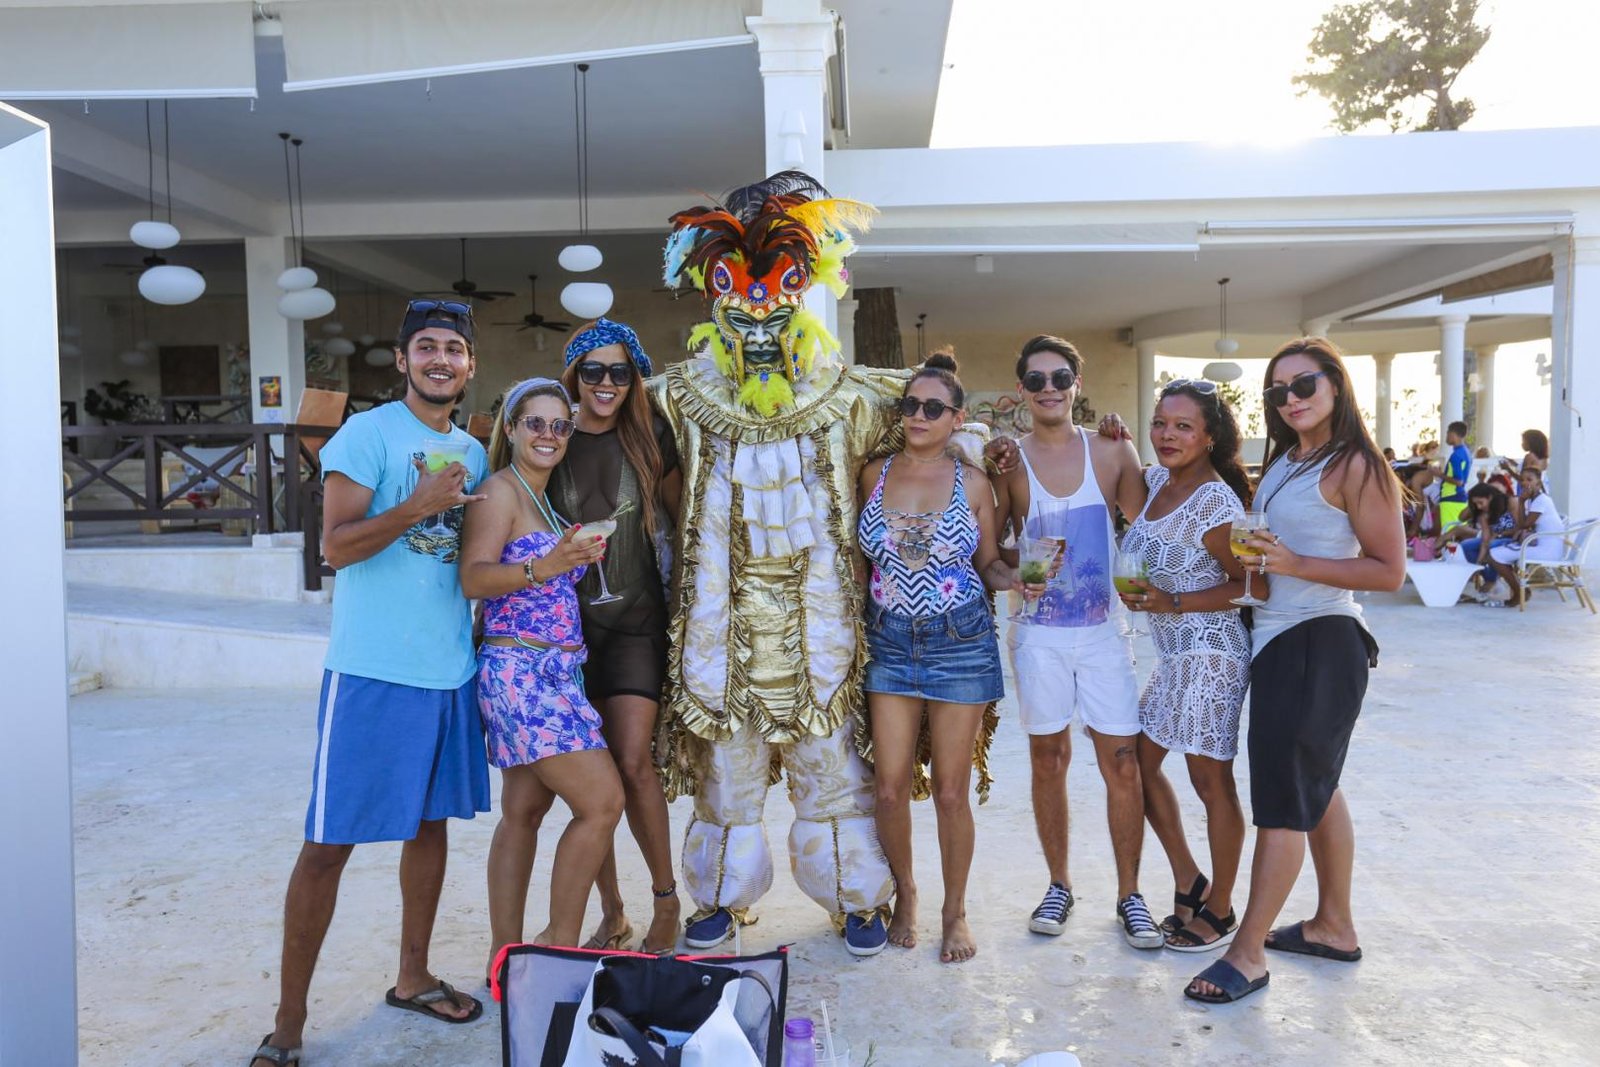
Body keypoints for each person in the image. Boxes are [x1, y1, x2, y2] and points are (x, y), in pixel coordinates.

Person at [650, 172, 925, 957]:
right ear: (716, 302)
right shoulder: (677, 398)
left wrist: (998, 454)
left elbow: (937, 428)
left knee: (832, 769)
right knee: (725, 774)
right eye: (743, 305)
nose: (761, 321)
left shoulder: (853, 397)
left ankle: (855, 898)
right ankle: (720, 896)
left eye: (777, 304)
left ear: (802, 297)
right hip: (723, 629)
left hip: (819, 631)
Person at [249, 300, 493, 1067]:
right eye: (427, 347)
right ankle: (288, 1024)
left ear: (470, 364)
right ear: (402, 359)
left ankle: (413, 975)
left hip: (449, 672)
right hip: (373, 672)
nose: (441, 359)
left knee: (429, 828)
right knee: (328, 846)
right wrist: (417, 504)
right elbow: (336, 547)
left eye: (453, 348)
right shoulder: (367, 434)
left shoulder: (473, 451)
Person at [1186, 337, 1405, 1005]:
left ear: (1336, 384)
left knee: (1282, 801)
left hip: (1320, 639)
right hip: (1282, 638)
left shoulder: (1355, 463)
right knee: (1316, 785)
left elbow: (1389, 570)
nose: (1291, 398)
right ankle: (1333, 925)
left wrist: (1293, 564)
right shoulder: (1287, 460)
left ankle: (1246, 953)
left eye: (1304, 384)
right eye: (1278, 390)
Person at [988, 335, 1163, 950]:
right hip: (1038, 636)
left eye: (1059, 377)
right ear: (1021, 391)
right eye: (1036, 380)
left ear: (1076, 385)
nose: (1049, 389)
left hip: (1103, 634)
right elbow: (992, 552)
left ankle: (1130, 895)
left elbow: (1148, 528)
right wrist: (1018, 574)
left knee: (1122, 762)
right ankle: (1058, 884)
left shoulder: (1111, 451)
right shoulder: (1009, 463)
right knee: (1048, 760)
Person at [859, 351, 1018, 964]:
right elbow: (856, 562)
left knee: (952, 793)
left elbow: (989, 563)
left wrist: (1017, 579)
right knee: (889, 790)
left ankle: (956, 913)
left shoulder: (973, 482)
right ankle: (907, 895)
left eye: (933, 407)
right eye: (910, 405)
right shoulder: (872, 474)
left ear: (956, 417)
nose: (918, 416)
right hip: (889, 641)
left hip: (960, 641)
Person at [459, 378, 622, 973]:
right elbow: (473, 578)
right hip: (521, 674)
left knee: (524, 813)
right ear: (511, 428)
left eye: (560, 426)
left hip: (554, 672)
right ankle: (558, 948)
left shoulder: (542, 497)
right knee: (602, 802)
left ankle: (504, 957)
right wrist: (546, 565)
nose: (549, 435)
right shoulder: (500, 492)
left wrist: (571, 556)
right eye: (536, 423)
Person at [550, 320, 684, 956]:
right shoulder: (551, 434)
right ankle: (611, 910)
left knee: (632, 762)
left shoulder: (651, 434)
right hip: (565, 629)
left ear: (635, 380)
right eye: (593, 371)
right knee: (591, 781)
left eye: (620, 372)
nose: (606, 383)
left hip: (636, 621)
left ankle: (666, 899)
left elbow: (688, 516)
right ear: (574, 375)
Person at [1117, 379, 1253, 953]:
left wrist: (1173, 600)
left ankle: (1221, 908)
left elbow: (1252, 584)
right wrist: (1116, 436)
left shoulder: (1218, 504)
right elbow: (1116, 475)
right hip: (1173, 655)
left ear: (1210, 436)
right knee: (1136, 767)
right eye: (1159, 423)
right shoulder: (1155, 485)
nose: (1167, 435)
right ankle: (1188, 879)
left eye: (1183, 426)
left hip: (1212, 652)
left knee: (1209, 781)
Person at [1486, 466, 1566, 607]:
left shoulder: (1541, 500)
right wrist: (1523, 503)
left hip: (1547, 551)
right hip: (1543, 546)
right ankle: (1521, 590)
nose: (1524, 483)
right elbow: (1524, 525)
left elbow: (1524, 525)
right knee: (1497, 553)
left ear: (1538, 483)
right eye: (1522, 479)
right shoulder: (1535, 500)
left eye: (1529, 479)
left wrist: (1521, 502)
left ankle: (1518, 592)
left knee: (1494, 555)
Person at [1437, 420, 1472, 529]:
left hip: (1451, 498)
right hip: (1459, 499)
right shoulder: (1466, 452)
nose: (1446, 436)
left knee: (1448, 534)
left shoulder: (1456, 455)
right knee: (1460, 533)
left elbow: (1458, 481)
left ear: (1453, 434)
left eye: (1447, 433)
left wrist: (1438, 474)